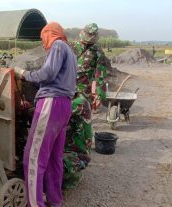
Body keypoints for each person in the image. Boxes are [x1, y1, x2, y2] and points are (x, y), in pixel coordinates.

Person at [14, 22, 77, 207]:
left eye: (43, 38)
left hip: (51, 104)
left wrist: (24, 74)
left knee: (33, 157)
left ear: (50, 34)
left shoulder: (57, 46)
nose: (43, 44)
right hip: (64, 105)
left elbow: (47, 74)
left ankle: (34, 204)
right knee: (54, 157)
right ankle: (55, 201)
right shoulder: (71, 53)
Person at [63, 23, 107, 189]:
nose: (86, 42)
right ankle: (67, 150)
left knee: (81, 126)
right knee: (66, 123)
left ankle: (80, 156)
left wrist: (99, 95)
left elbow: (100, 75)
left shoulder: (97, 52)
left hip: (83, 93)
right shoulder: (72, 46)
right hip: (67, 90)